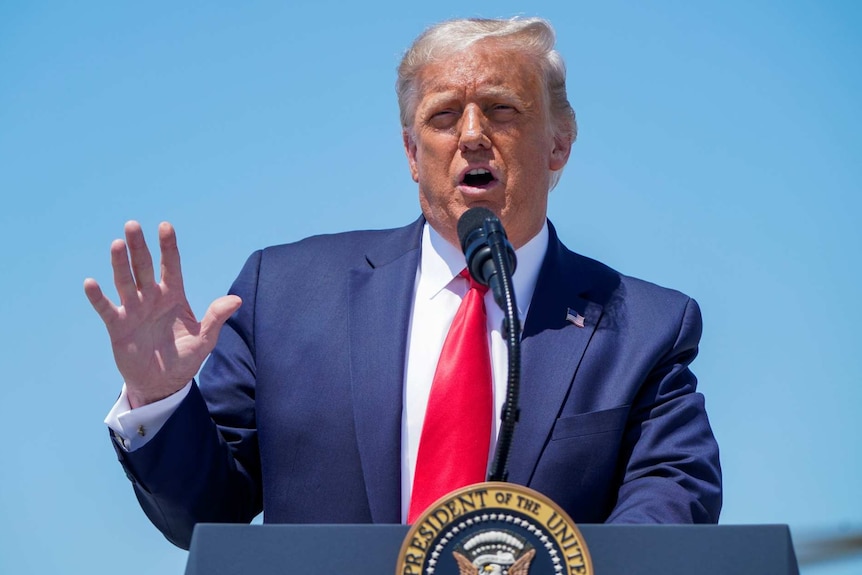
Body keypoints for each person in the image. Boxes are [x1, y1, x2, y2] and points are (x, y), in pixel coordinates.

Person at [85, 17, 721, 550]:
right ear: (413, 154)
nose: (472, 134)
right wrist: (161, 396)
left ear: (559, 144)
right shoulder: (283, 294)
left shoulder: (643, 327)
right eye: (444, 116)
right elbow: (201, 516)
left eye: (501, 109)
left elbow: (670, 503)